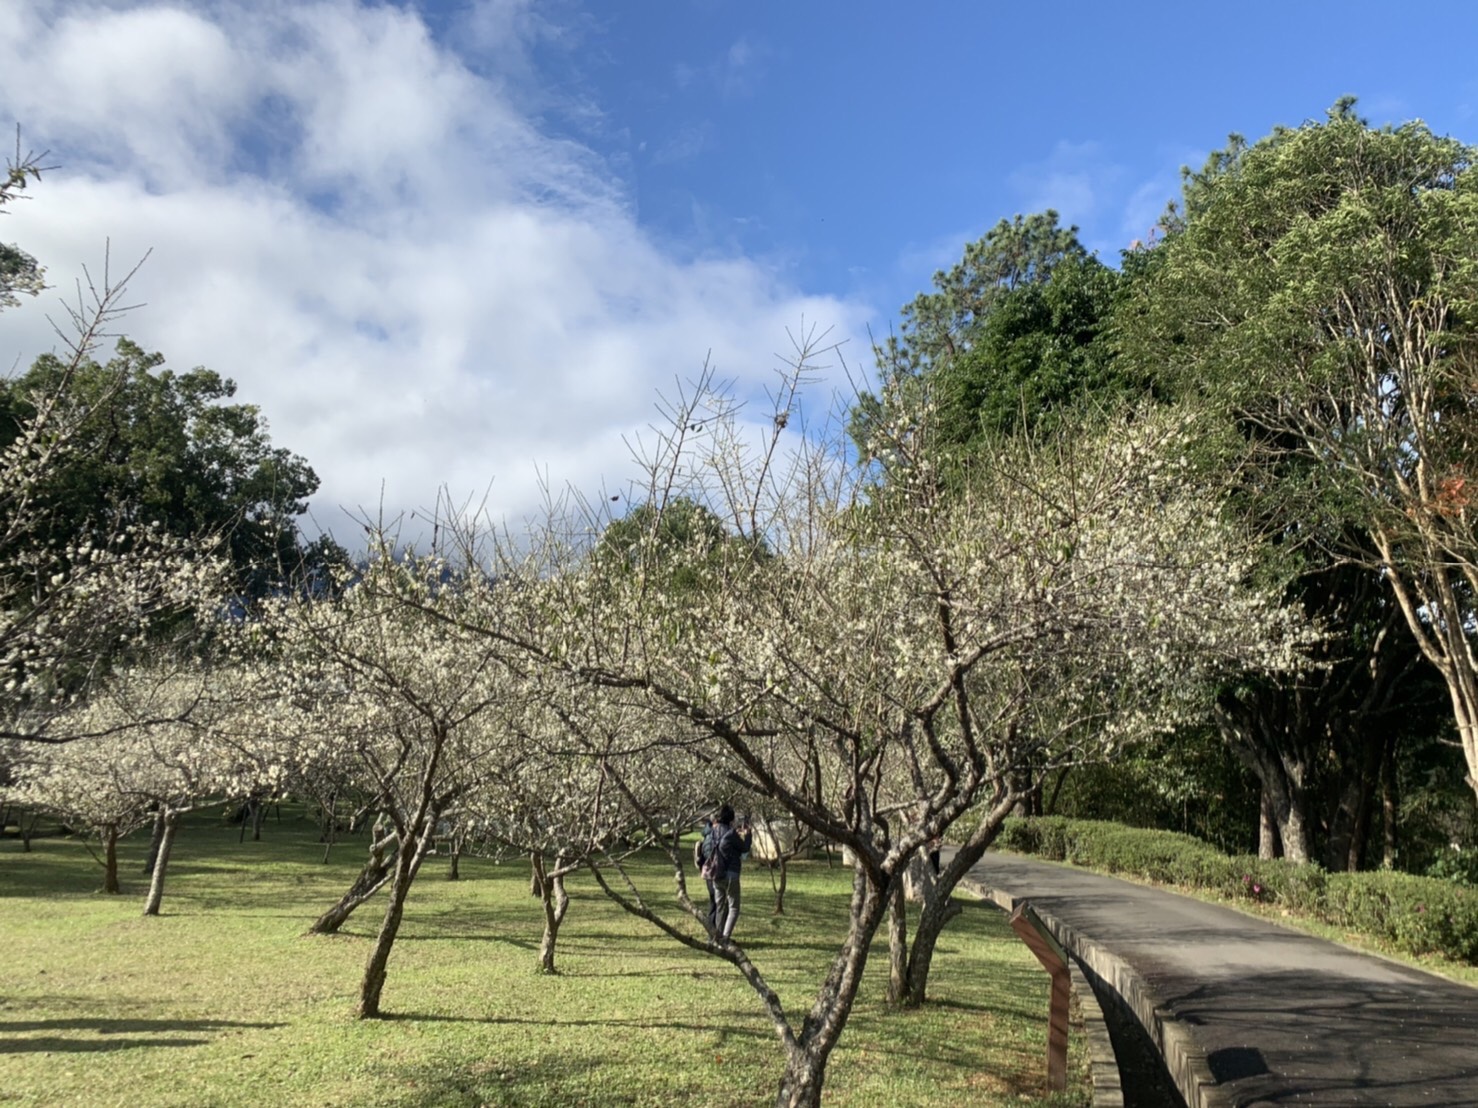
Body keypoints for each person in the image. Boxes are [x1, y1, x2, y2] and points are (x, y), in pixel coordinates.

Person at [703, 805, 753, 940]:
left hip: (716, 874)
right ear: (731, 819)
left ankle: (716, 937)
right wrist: (748, 835)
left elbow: (707, 849)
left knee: (720, 907)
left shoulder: (712, 832)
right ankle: (725, 938)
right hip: (731, 874)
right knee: (733, 908)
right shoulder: (730, 834)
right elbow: (744, 848)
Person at [694, 816, 718, 930]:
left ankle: (712, 929)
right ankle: (713, 930)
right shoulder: (711, 838)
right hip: (713, 873)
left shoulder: (707, 836)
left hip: (708, 873)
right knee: (716, 902)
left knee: (714, 902)